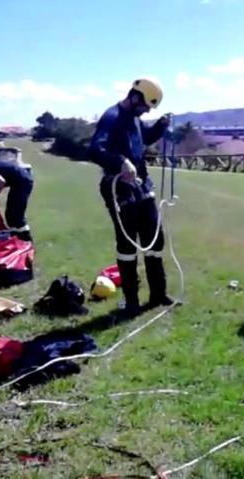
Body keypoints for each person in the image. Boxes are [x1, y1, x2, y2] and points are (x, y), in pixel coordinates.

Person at [88, 78, 175, 316]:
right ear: (135, 97)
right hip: (119, 188)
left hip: (141, 185)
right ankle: (132, 301)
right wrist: (121, 162)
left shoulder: (134, 117)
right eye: (146, 106)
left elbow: (143, 138)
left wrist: (160, 125)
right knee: (128, 246)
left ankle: (158, 295)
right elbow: (95, 149)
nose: (147, 110)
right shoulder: (111, 117)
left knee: (154, 240)